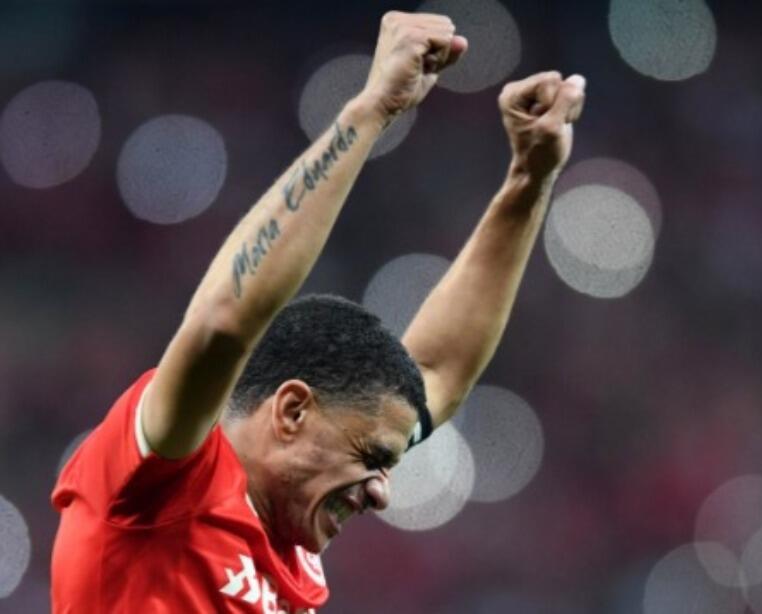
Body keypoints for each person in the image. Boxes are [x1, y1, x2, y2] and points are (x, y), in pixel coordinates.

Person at [51, 10, 585, 614]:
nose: (382, 495)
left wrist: (529, 179)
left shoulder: (288, 532)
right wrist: (371, 110)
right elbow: (224, 323)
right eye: (373, 459)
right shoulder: (164, 480)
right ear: (293, 410)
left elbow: (438, 372)